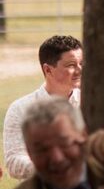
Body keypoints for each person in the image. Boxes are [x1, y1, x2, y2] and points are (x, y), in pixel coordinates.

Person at [4, 34, 83, 179]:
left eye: (81, 63)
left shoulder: (88, 103)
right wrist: (53, 167)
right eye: (71, 65)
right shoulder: (20, 109)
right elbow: (14, 161)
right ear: (48, 70)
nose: (79, 70)